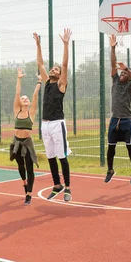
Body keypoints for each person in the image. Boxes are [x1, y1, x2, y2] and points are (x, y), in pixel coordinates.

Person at [33, 28, 73, 201]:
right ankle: (57, 184)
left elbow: (64, 65)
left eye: (55, 69)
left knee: (61, 155)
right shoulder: (48, 82)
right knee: (50, 155)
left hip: (58, 123)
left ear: (60, 74)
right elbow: (40, 64)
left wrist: (65, 45)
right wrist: (38, 44)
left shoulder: (61, 85)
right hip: (45, 124)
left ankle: (68, 188)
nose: (53, 70)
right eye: (53, 69)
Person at [105, 34, 131, 185]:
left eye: (125, 73)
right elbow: (113, 64)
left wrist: (127, 68)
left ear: (129, 76)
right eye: (122, 72)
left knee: (130, 147)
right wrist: (113, 47)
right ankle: (110, 170)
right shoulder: (115, 81)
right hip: (115, 119)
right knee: (111, 148)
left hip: (127, 120)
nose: (122, 74)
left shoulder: (130, 86)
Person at [9, 68, 42, 205]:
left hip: (27, 143)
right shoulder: (16, 111)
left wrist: (39, 81)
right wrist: (19, 78)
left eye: (26, 98)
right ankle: (24, 182)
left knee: (30, 168)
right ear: (20, 103)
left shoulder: (31, 112)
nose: (25, 99)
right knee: (20, 167)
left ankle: (29, 194)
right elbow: (17, 93)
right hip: (16, 142)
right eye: (23, 99)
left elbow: (35, 96)